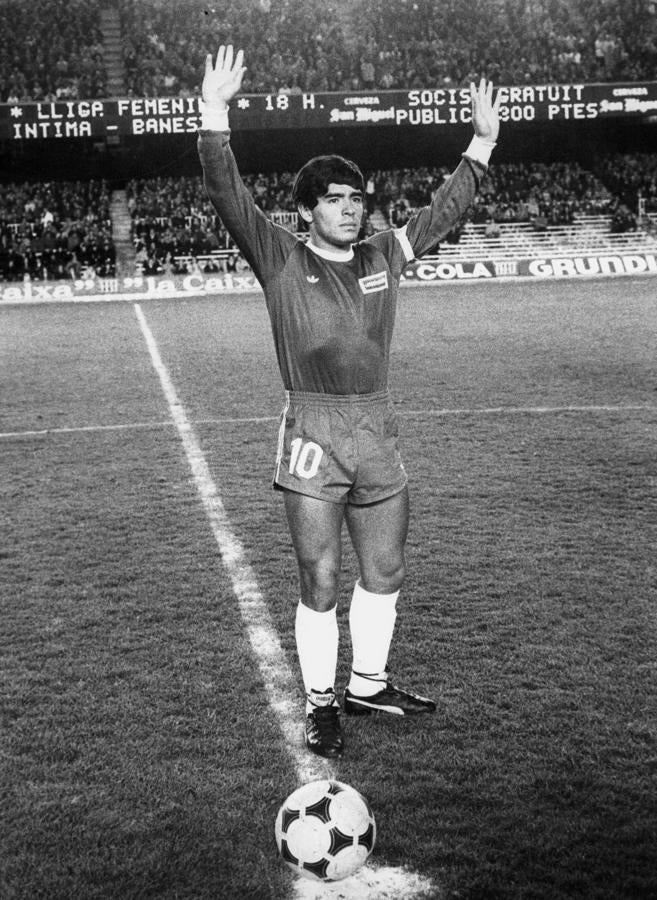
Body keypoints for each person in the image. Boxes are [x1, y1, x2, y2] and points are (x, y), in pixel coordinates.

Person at [198, 45, 501, 759]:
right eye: (333, 199)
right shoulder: (279, 256)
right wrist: (214, 114)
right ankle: (320, 701)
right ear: (306, 211)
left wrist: (481, 141)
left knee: (385, 570)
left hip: (376, 423)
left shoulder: (384, 255)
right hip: (313, 425)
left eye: (356, 198)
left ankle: (367, 682)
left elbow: (443, 210)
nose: (348, 208)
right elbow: (224, 191)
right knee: (320, 577)